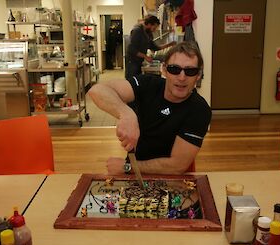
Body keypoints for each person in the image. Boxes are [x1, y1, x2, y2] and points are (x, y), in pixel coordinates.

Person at [88, 41, 211, 175]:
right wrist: (126, 114)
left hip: (174, 179)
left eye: (190, 71)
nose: (182, 77)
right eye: (174, 69)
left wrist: (127, 167)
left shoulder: (199, 109)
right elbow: (97, 90)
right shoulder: (148, 84)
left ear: (198, 75)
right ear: (164, 70)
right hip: (136, 173)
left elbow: (177, 166)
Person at [125, 15, 175, 79]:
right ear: (149, 24)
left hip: (139, 62)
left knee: (138, 81)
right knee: (132, 81)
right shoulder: (137, 31)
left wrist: (170, 44)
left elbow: (155, 47)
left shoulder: (148, 33)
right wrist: (145, 56)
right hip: (132, 62)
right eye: (154, 28)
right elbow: (131, 49)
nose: (154, 30)